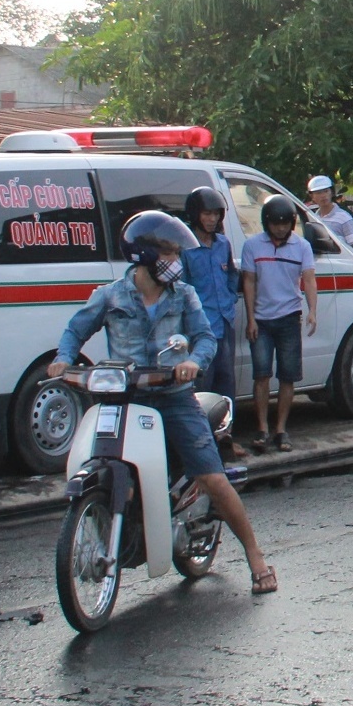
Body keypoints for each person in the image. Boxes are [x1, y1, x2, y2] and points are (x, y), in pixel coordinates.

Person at [53, 210, 277, 596]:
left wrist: (193, 362)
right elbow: (76, 328)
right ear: (143, 255)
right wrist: (63, 358)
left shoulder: (184, 295)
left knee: (212, 477)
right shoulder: (110, 296)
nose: (175, 262)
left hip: (173, 398)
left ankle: (256, 556)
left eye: (176, 254)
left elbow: (205, 338)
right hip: (125, 399)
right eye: (168, 254)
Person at [239, 196, 318, 454]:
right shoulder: (252, 246)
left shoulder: (302, 247)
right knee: (261, 375)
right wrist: (251, 318)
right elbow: (249, 282)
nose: (281, 228)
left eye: (285, 223)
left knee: (288, 376)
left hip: (289, 318)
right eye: (276, 224)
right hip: (261, 319)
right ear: (266, 223)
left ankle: (281, 428)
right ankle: (261, 428)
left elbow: (309, 279)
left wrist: (312, 311)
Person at [179, 186, 241, 420]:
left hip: (225, 322)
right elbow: (180, 287)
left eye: (216, 214)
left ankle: (226, 434)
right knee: (203, 382)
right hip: (200, 327)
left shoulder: (223, 244)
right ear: (196, 214)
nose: (212, 219)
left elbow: (232, 275)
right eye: (206, 213)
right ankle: (204, 437)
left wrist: (229, 298)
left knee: (227, 382)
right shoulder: (185, 246)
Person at [305, 175, 353, 250]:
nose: (323, 196)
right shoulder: (313, 218)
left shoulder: (344, 217)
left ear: (332, 192)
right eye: (318, 193)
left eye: (326, 191)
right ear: (312, 196)